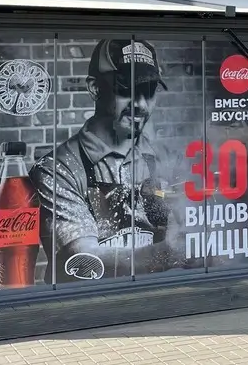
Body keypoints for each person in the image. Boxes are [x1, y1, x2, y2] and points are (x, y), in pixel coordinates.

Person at [29, 39, 183, 283]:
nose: (140, 104)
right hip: (90, 302)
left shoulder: (165, 159)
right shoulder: (58, 169)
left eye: (149, 91)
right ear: (95, 88)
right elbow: (85, 260)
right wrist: (171, 253)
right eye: (126, 89)